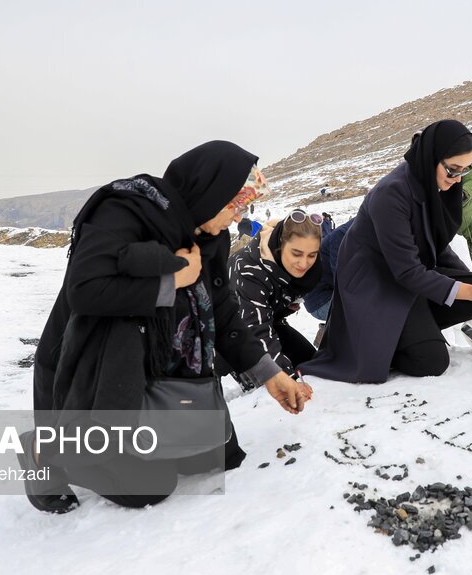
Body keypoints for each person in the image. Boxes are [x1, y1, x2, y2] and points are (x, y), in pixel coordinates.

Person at [25, 141, 313, 514]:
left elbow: (223, 315)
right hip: (97, 366)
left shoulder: (210, 236)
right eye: (235, 204)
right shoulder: (123, 213)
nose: (239, 215)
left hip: (167, 365)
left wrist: (269, 375)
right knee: (150, 487)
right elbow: (85, 291)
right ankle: (44, 450)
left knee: (217, 458)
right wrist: (171, 280)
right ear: (211, 193)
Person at [298, 120, 472, 384]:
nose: (457, 180)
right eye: (453, 170)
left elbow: (438, 248)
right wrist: (466, 289)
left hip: (406, 284)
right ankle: (376, 343)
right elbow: (407, 270)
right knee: (432, 360)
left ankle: (409, 330)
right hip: (375, 287)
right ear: (432, 157)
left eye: (465, 171)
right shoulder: (392, 194)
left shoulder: (435, 188)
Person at [222, 209, 323, 391]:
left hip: (269, 320)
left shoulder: (312, 267)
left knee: (313, 364)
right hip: (228, 331)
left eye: (311, 255)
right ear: (280, 246)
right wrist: (285, 379)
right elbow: (256, 330)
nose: (304, 263)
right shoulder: (249, 270)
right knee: (271, 383)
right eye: (296, 253)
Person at [303, 217, 354, 322]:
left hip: (332, 295)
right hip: (321, 301)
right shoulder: (341, 237)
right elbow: (343, 281)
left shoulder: (356, 233)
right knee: (374, 311)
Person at [458, 167, 472, 264]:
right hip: (449, 230)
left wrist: (464, 193)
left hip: (469, 226)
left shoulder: (464, 162)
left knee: (471, 258)